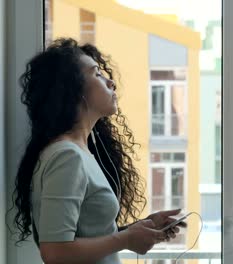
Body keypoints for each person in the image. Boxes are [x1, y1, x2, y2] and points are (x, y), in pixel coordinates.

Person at [10, 38, 185, 264]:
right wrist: (126, 239)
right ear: (73, 90)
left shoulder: (80, 151)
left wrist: (137, 230)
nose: (110, 82)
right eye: (97, 74)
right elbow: (55, 252)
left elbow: (87, 236)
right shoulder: (67, 156)